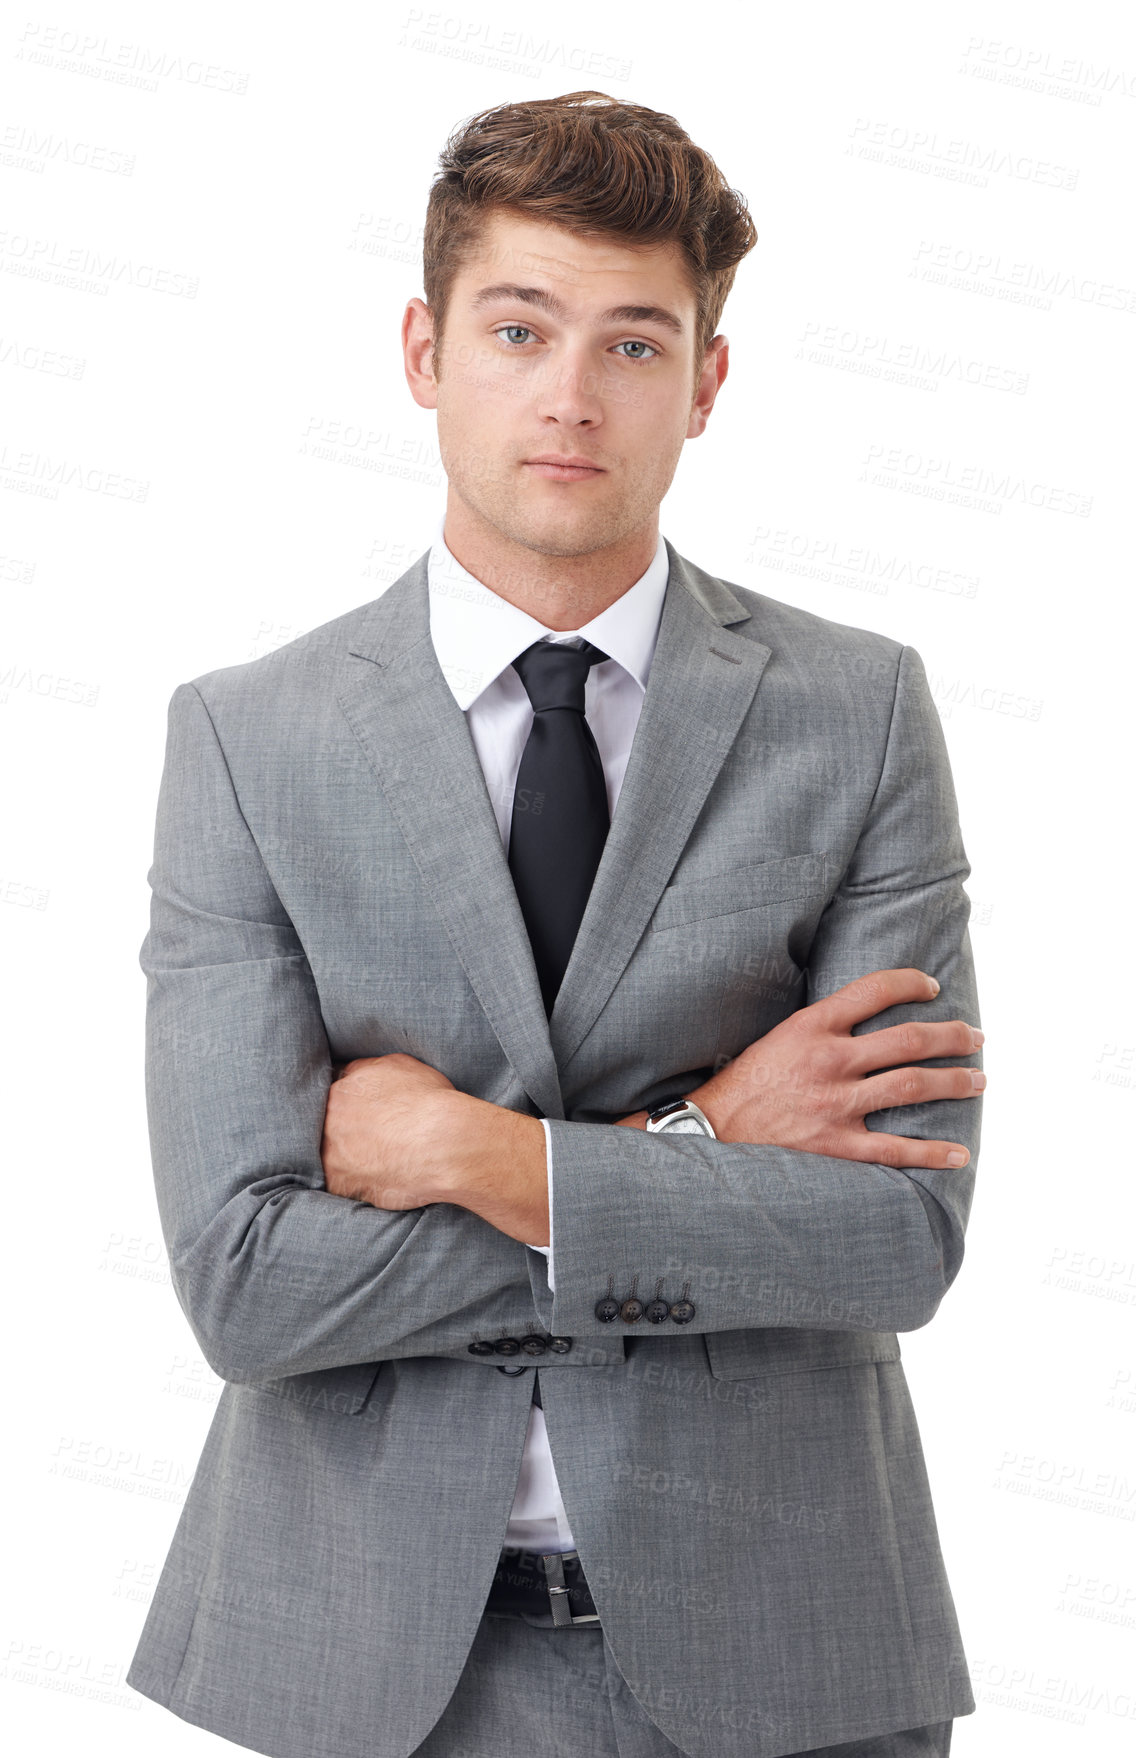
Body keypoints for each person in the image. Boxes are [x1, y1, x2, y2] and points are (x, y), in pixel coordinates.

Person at [126, 90, 983, 1758]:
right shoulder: (249, 738)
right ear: (425, 350)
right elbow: (245, 1288)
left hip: (791, 1653)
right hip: (372, 1666)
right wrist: (707, 1136)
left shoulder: (859, 713)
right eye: (519, 329)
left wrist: (467, 1151)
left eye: (635, 345)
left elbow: (899, 1242)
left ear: (706, 382)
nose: (572, 399)